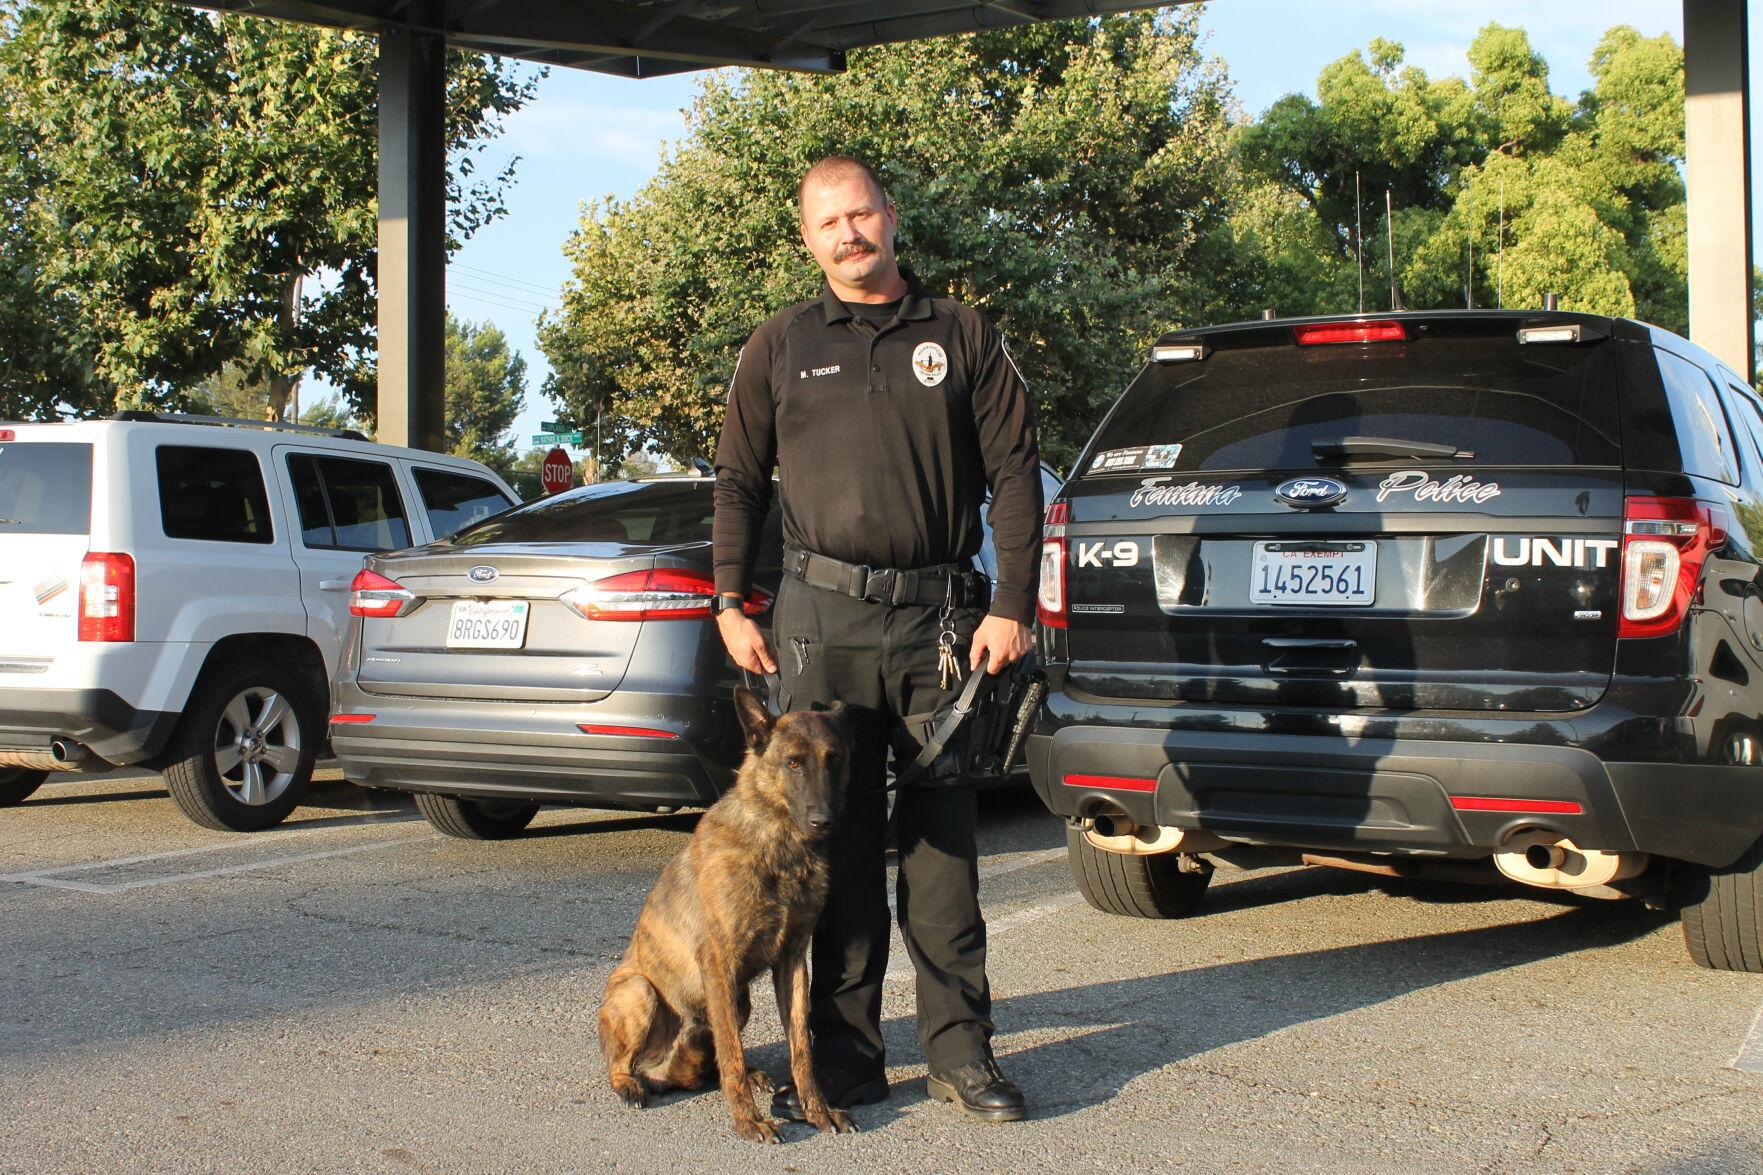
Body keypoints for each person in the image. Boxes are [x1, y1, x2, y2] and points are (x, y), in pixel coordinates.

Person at [711, 154, 1043, 1123]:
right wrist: (729, 599)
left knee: (942, 848)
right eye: (828, 222)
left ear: (889, 217)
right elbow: (737, 477)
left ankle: (960, 1051)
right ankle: (846, 1057)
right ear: (807, 238)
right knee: (837, 846)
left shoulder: (960, 333)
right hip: (820, 621)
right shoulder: (779, 343)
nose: (847, 233)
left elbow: (1015, 472)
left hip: (939, 624)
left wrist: (1011, 602)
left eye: (859, 214)